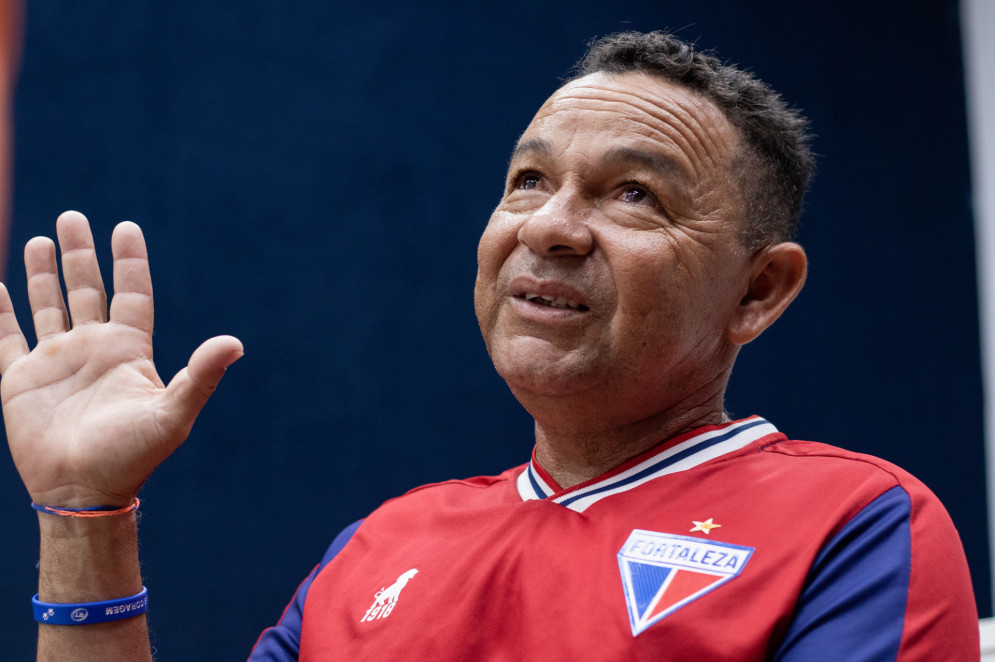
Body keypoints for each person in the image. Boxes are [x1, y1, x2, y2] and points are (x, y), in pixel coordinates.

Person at [0, 31, 979, 662]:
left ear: (757, 291)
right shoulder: (378, 548)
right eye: (527, 181)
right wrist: (85, 514)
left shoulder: (854, 528)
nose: (548, 226)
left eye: (632, 193)